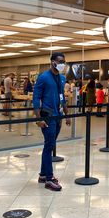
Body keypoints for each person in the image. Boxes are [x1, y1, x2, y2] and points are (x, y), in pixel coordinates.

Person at [33, 52, 71, 191]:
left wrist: (67, 115)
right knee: (49, 145)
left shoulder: (61, 78)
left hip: (58, 116)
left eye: (64, 61)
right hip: (48, 116)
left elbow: (62, 97)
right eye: (60, 61)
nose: (62, 64)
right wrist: (39, 118)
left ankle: (43, 175)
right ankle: (49, 179)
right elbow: (36, 98)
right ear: (53, 61)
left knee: (49, 145)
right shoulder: (43, 77)